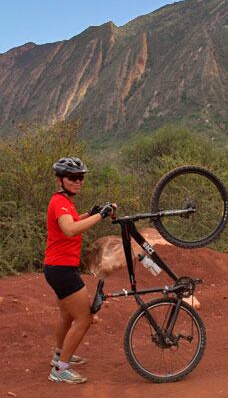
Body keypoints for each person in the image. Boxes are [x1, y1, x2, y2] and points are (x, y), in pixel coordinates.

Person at [44, 157, 115, 384]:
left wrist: (89, 213)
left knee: (66, 314)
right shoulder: (59, 202)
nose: (78, 181)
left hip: (59, 267)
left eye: (81, 177)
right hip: (61, 269)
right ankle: (60, 370)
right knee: (85, 318)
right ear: (60, 179)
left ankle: (59, 355)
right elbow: (70, 229)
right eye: (73, 177)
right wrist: (100, 216)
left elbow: (72, 221)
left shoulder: (65, 201)